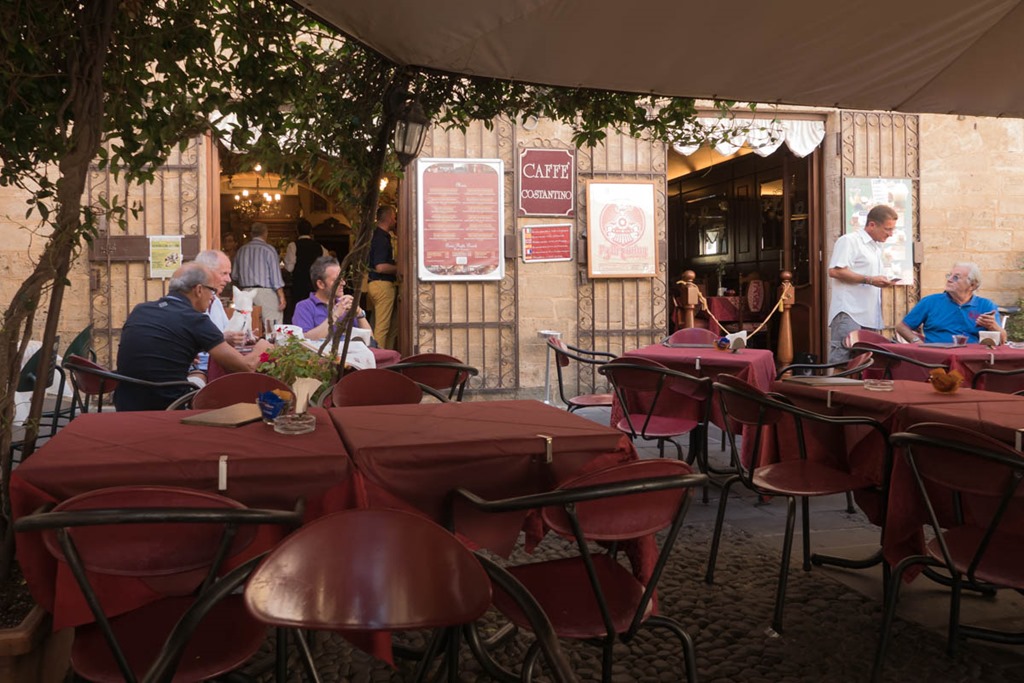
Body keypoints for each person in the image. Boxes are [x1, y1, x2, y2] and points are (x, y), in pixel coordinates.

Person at [115, 263, 270, 411]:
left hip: (126, 403)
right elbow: (246, 367)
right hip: (168, 405)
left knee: (197, 372)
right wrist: (263, 346)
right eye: (212, 291)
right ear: (199, 290)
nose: (213, 298)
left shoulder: (141, 310)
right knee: (207, 381)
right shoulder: (196, 320)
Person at [826, 205, 899, 362]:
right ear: (872, 225)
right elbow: (835, 271)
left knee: (865, 364)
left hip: (869, 314)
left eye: (892, 229)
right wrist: (870, 280)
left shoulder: (876, 247)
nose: (891, 234)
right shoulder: (850, 241)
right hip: (849, 312)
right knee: (843, 362)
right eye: (887, 229)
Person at [896, 262, 1006, 344]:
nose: (949, 280)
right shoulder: (930, 302)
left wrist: (993, 326)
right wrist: (916, 342)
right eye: (949, 275)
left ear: (972, 285)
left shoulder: (986, 305)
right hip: (937, 359)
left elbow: (1002, 340)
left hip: (972, 359)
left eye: (956, 277)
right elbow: (902, 327)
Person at [189, 249, 247, 384]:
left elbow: (227, 333)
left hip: (220, 366)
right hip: (199, 371)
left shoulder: (215, 301)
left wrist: (241, 336)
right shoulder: (189, 303)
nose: (229, 279)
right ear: (207, 273)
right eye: (224, 273)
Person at [293, 255, 372, 340]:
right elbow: (304, 340)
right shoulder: (304, 307)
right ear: (320, 284)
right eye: (337, 280)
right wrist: (335, 315)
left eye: (342, 278)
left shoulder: (345, 305)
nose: (343, 283)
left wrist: (359, 312)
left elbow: (370, 340)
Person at [232, 221, 286, 330]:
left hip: (245, 292)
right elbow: (275, 277)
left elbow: (234, 276)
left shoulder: (241, 250)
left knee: (246, 326)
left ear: (251, 234)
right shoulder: (269, 250)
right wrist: (281, 296)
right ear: (265, 233)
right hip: (265, 293)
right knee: (272, 325)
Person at [283, 218, 327, 324]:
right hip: (315, 285)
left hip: (299, 284)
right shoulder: (320, 247)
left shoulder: (293, 246)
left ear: (297, 231)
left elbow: (289, 268)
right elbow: (326, 266)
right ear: (311, 232)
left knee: (299, 310)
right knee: (315, 309)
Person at [367, 205, 398, 349]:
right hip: (382, 285)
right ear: (389, 218)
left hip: (376, 284)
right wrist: (400, 269)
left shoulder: (377, 236)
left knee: (392, 326)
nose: (395, 221)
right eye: (394, 217)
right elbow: (380, 267)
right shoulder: (381, 238)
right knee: (382, 327)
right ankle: (379, 358)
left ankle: (389, 356)